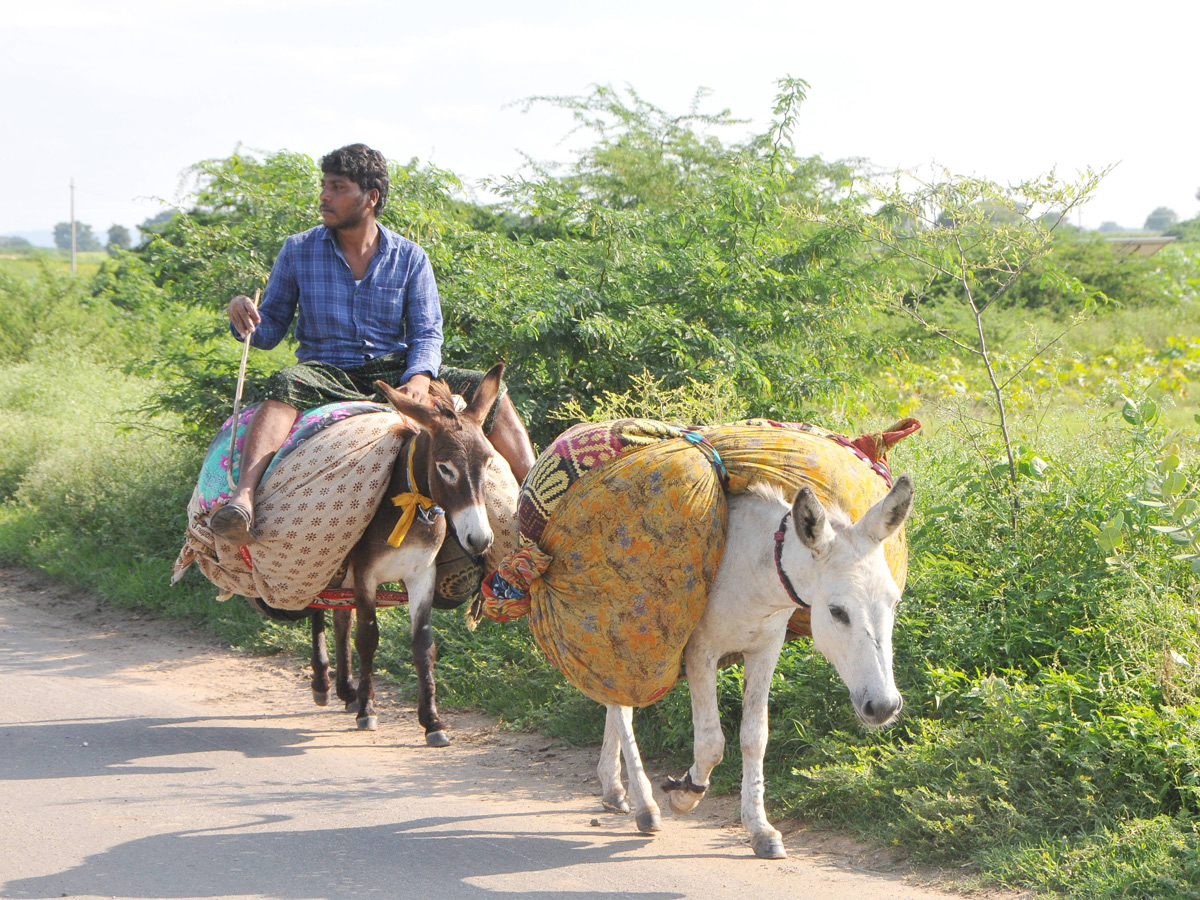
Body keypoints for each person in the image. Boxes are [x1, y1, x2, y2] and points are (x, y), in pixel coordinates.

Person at [210, 143, 536, 544]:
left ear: (371, 198)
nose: (324, 196)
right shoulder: (298, 250)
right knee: (283, 381)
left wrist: (418, 377)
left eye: (338, 187)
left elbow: (427, 332)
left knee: (490, 388)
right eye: (324, 185)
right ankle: (243, 498)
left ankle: (536, 498)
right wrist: (242, 314)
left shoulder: (411, 257)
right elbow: (269, 330)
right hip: (324, 371)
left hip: (392, 368)